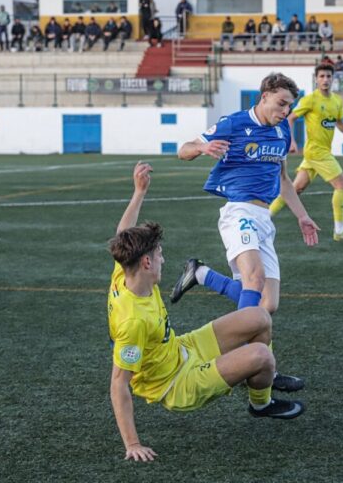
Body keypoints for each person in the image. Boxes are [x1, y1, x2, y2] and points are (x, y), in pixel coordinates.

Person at [108, 164, 305, 463]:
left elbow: (123, 234)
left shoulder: (125, 272)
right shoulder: (134, 321)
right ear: (146, 263)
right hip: (177, 383)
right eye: (159, 254)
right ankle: (254, 385)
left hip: (180, 348)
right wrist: (132, 443)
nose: (164, 258)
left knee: (260, 316)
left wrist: (139, 193)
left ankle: (260, 404)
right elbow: (120, 383)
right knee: (262, 356)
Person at [172, 73, 320, 393]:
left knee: (267, 304)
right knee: (253, 280)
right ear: (264, 96)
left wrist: (302, 216)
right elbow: (182, 150)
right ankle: (244, 361)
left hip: (264, 218)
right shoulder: (234, 123)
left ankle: (201, 274)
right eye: (281, 103)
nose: (285, 111)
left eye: (289, 106)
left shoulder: (281, 131)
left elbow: (283, 179)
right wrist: (202, 146)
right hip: (238, 211)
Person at [269, 63, 343, 242]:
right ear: (316, 79)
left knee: (295, 189)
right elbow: (290, 119)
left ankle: (265, 217)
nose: (325, 80)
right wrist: (292, 141)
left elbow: (339, 122)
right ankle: (339, 230)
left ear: (333, 79)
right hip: (317, 152)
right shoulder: (310, 99)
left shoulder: (336, 101)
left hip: (320, 152)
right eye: (322, 76)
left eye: (328, 76)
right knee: (341, 185)